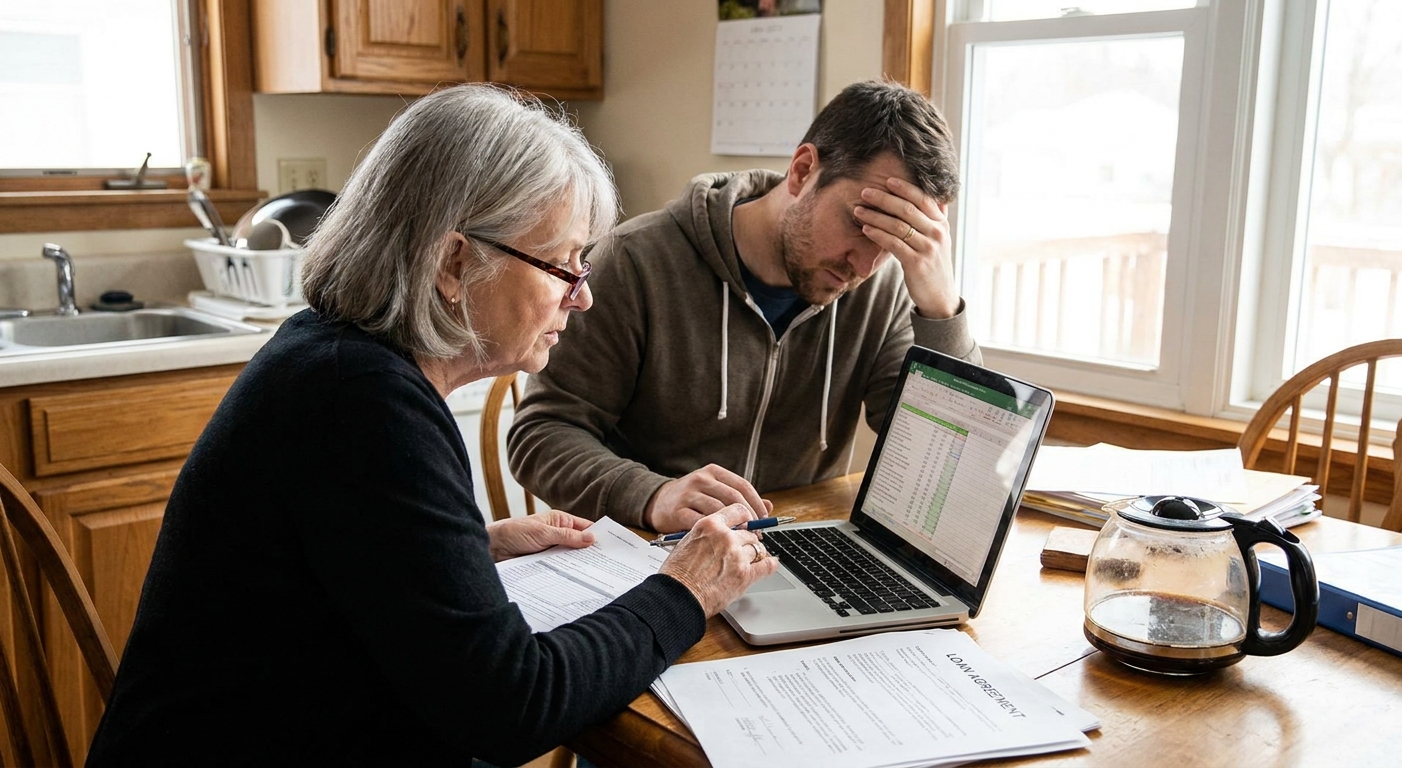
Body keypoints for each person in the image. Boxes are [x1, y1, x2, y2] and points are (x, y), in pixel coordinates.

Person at [86, 84, 777, 767]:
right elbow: (512, 709)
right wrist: (686, 592)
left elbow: (322, 575)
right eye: (562, 264)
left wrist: (464, 551)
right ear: (454, 264)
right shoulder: (363, 401)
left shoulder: (334, 357)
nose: (584, 295)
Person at [508, 80, 981, 534]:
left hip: (798, 551)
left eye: (896, 239)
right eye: (861, 224)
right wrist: (654, 495)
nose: (867, 263)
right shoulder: (635, 263)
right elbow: (542, 434)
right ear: (802, 171)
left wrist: (941, 310)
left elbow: (948, 466)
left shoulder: (882, 290)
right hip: (651, 557)